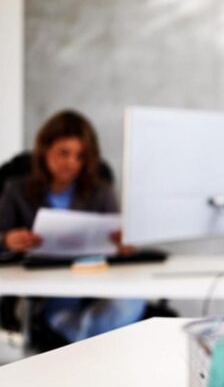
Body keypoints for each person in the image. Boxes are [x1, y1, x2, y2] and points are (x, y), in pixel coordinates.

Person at [0, 110, 146, 348]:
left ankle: (84, 344)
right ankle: (95, 345)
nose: (71, 163)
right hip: (49, 286)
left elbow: (121, 240)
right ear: (45, 150)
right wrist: (7, 240)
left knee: (131, 302)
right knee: (67, 314)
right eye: (63, 153)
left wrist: (124, 244)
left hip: (97, 281)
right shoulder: (16, 191)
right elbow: (2, 237)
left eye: (80, 156)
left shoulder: (101, 191)